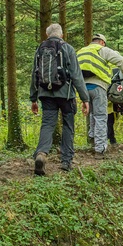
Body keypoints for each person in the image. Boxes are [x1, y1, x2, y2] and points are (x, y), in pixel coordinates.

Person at [30, 23, 90, 174]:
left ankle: (41, 154)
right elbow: (76, 75)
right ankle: (66, 161)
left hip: (45, 94)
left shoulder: (40, 49)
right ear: (61, 34)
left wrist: (33, 98)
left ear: (47, 34)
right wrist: (85, 98)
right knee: (68, 125)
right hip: (66, 94)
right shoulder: (67, 48)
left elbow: (34, 74)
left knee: (47, 124)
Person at [77, 33, 123, 156]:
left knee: (91, 114)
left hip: (82, 89)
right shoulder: (102, 50)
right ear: (102, 42)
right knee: (101, 116)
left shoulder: (81, 51)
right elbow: (120, 61)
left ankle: (92, 140)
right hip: (98, 87)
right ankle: (100, 149)